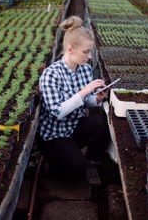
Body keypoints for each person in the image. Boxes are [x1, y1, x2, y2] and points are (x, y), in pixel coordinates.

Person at [37, 16, 110, 180]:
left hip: (73, 126)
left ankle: (91, 161)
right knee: (75, 171)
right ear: (70, 49)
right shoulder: (51, 74)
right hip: (54, 134)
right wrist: (84, 91)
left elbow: (86, 101)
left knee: (100, 124)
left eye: (90, 51)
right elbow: (57, 112)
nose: (89, 56)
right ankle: (55, 161)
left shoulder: (84, 69)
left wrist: (97, 98)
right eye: (86, 52)